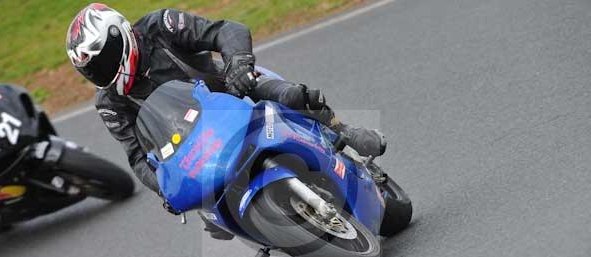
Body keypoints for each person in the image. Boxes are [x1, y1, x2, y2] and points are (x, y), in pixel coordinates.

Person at [65, 3, 386, 238]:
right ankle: (271, 232)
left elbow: (225, 30)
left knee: (289, 95)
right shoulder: (109, 102)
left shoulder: (160, 26)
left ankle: (342, 132)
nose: (100, 73)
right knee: (212, 220)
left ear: (120, 36)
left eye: (102, 60)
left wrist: (239, 65)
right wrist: (162, 187)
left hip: (231, 92)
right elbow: (136, 155)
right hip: (188, 149)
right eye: (90, 69)